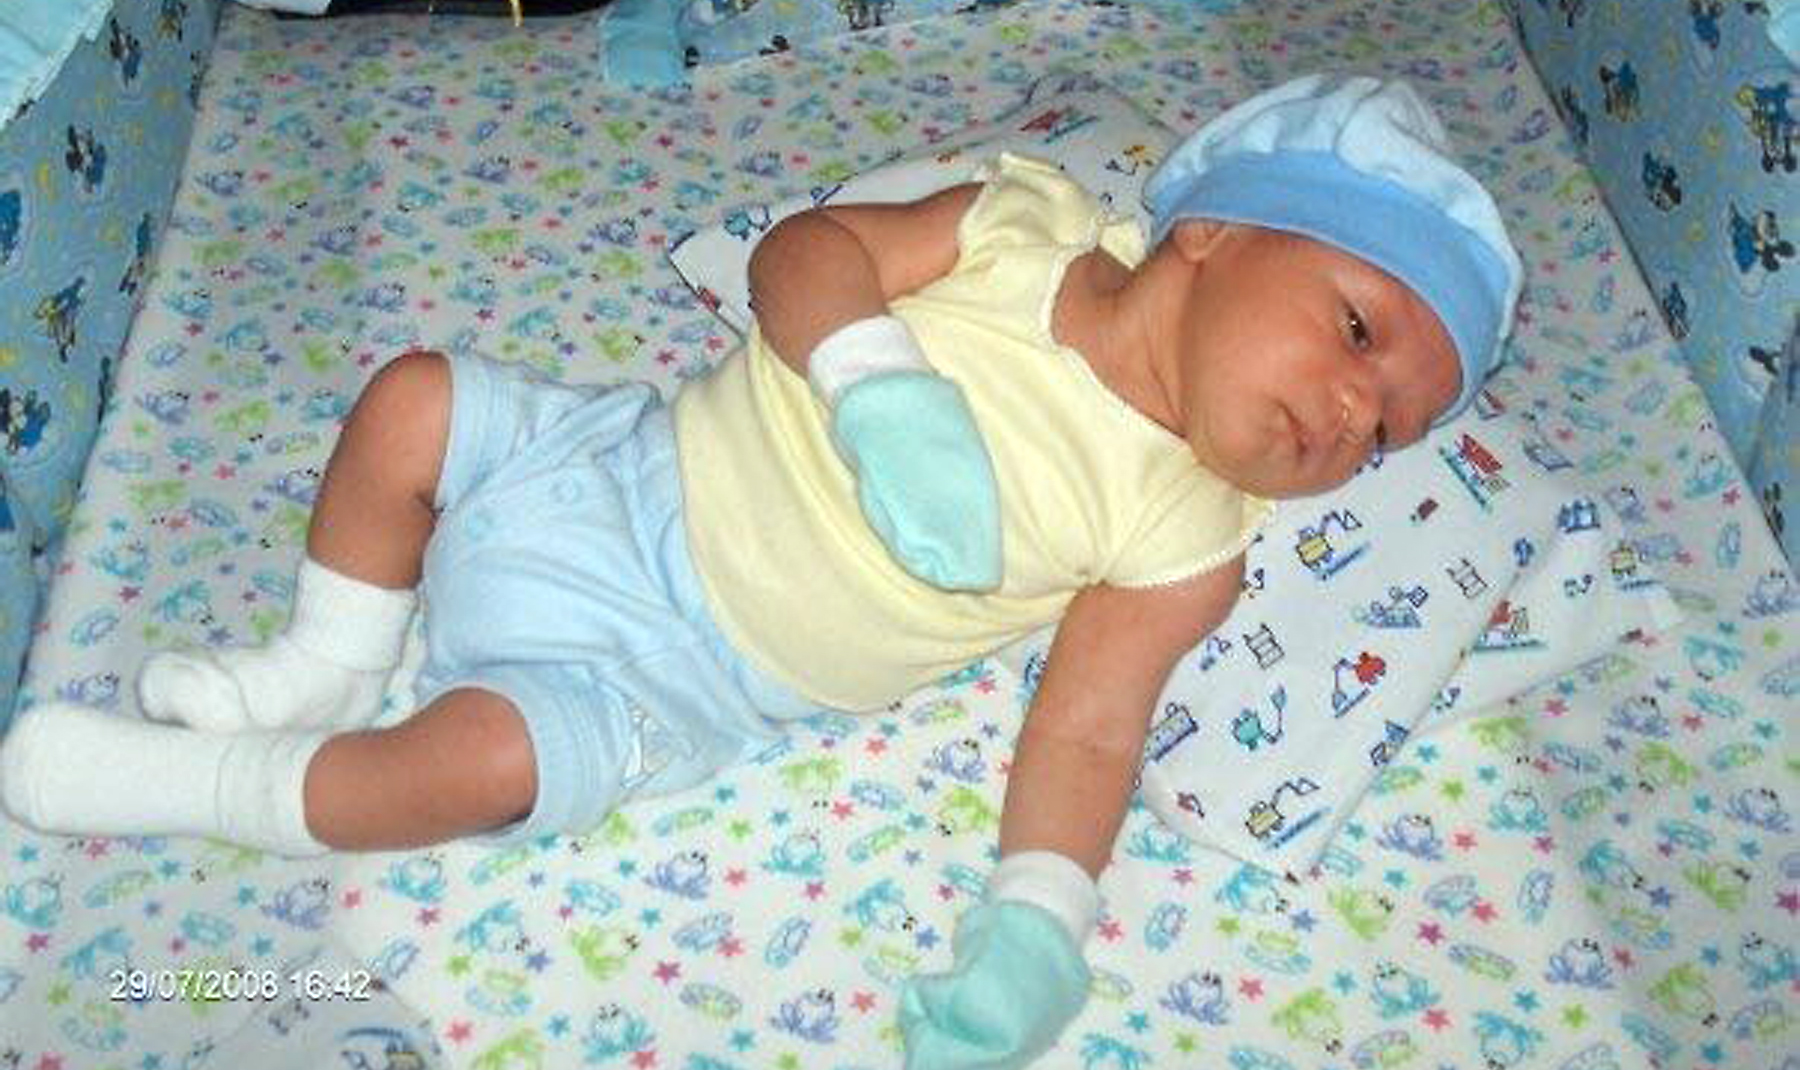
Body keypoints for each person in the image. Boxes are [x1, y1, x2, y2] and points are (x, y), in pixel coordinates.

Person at [0, 74, 1520, 1069]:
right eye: (1359, 332)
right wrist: (878, 385)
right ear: (1215, 232)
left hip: (678, 675)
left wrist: (1042, 918)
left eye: (1390, 429)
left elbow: (1088, 727)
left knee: (473, 767)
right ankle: (323, 660)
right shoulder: (1025, 230)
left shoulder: (1187, 535)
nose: (1350, 416)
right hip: (614, 465)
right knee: (415, 398)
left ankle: (214, 785)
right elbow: (802, 254)